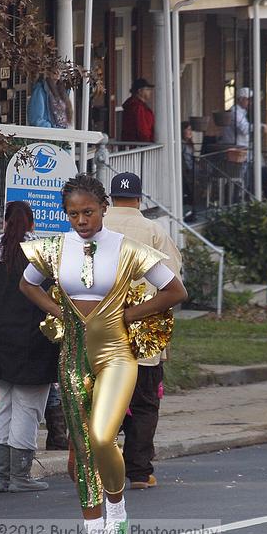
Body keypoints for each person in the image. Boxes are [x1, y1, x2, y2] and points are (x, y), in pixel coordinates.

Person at [18, 174, 187, 534]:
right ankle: (93, 533)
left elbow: (175, 290)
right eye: (73, 214)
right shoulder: (55, 249)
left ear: (104, 208)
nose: (81, 220)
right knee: (80, 448)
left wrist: (129, 315)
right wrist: (58, 310)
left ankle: (117, 513)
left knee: (100, 436)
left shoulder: (126, 248)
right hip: (74, 352)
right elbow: (27, 285)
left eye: (88, 212)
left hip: (116, 354)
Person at [103, 172, 183, 488]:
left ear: (109, 199)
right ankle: (137, 471)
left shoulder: (95, 228)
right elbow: (172, 282)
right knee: (144, 403)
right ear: (139, 199)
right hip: (144, 333)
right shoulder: (154, 232)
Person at [0, 201, 60, 494]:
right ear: (32, 224)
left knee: (6, 406)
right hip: (32, 342)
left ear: (4, 223)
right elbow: (54, 299)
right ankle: (20, 476)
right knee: (28, 408)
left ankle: (0, 475)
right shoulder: (41, 259)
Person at [121, 78, 155, 143]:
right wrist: (148, 143)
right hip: (139, 146)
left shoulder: (140, 106)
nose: (150, 92)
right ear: (140, 91)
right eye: (147, 89)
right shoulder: (137, 107)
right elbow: (142, 130)